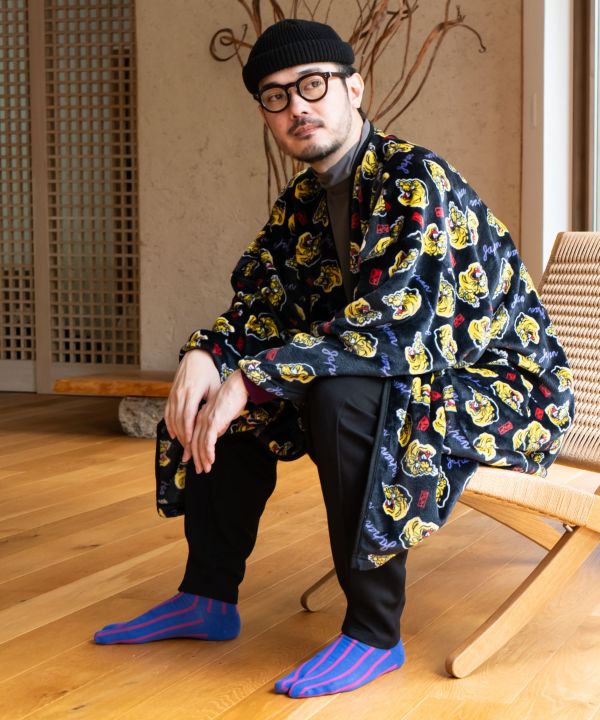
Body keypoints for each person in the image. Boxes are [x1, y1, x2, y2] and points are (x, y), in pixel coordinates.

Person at [94, 19, 574, 698]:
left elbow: (399, 327)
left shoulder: (416, 179)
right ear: (265, 114)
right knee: (224, 384)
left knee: (339, 393)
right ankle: (207, 594)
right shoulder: (300, 204)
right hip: (403, 375)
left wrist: (255, 375)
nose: (297, 106)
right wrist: (208, 354)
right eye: (276, 96)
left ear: (354, 88)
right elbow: (261, 307)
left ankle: (374, 632)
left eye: (313, 85)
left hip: (502, 392)